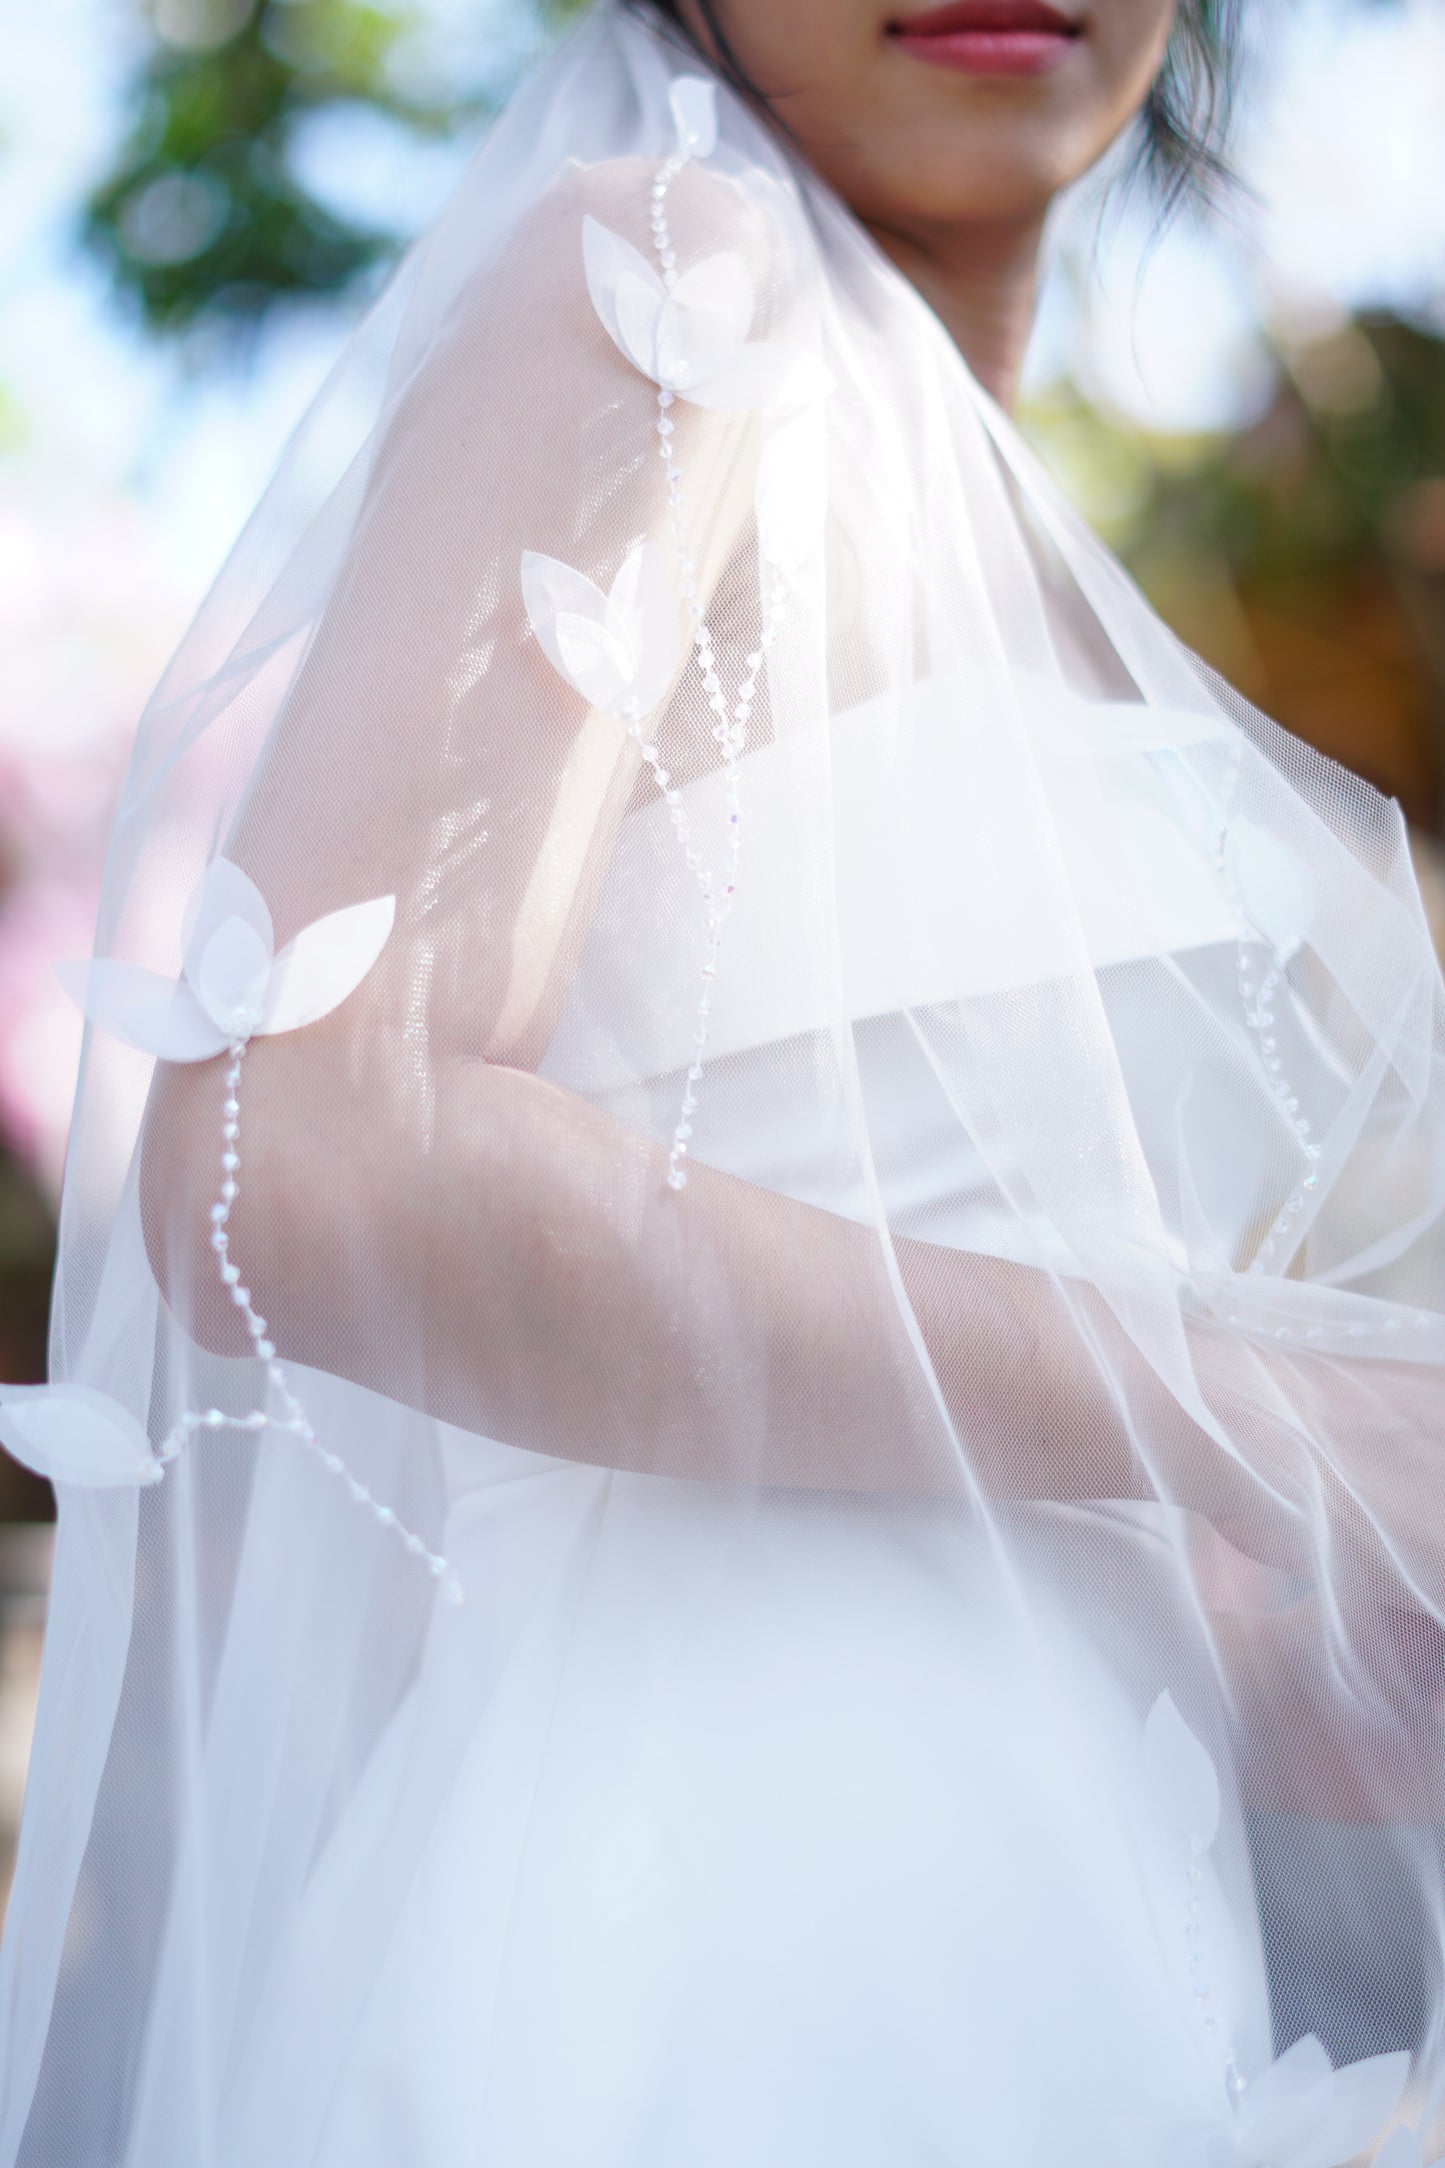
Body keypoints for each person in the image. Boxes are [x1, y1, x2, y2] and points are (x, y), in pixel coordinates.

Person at [2, 3, 1444, 2161]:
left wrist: (1320, 1612)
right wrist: (1278, 1412)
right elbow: (305, 1150)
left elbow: (1017, 1480)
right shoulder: (671, 270)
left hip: (1083, 1910)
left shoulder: (1051, 559)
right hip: (703, 1920)